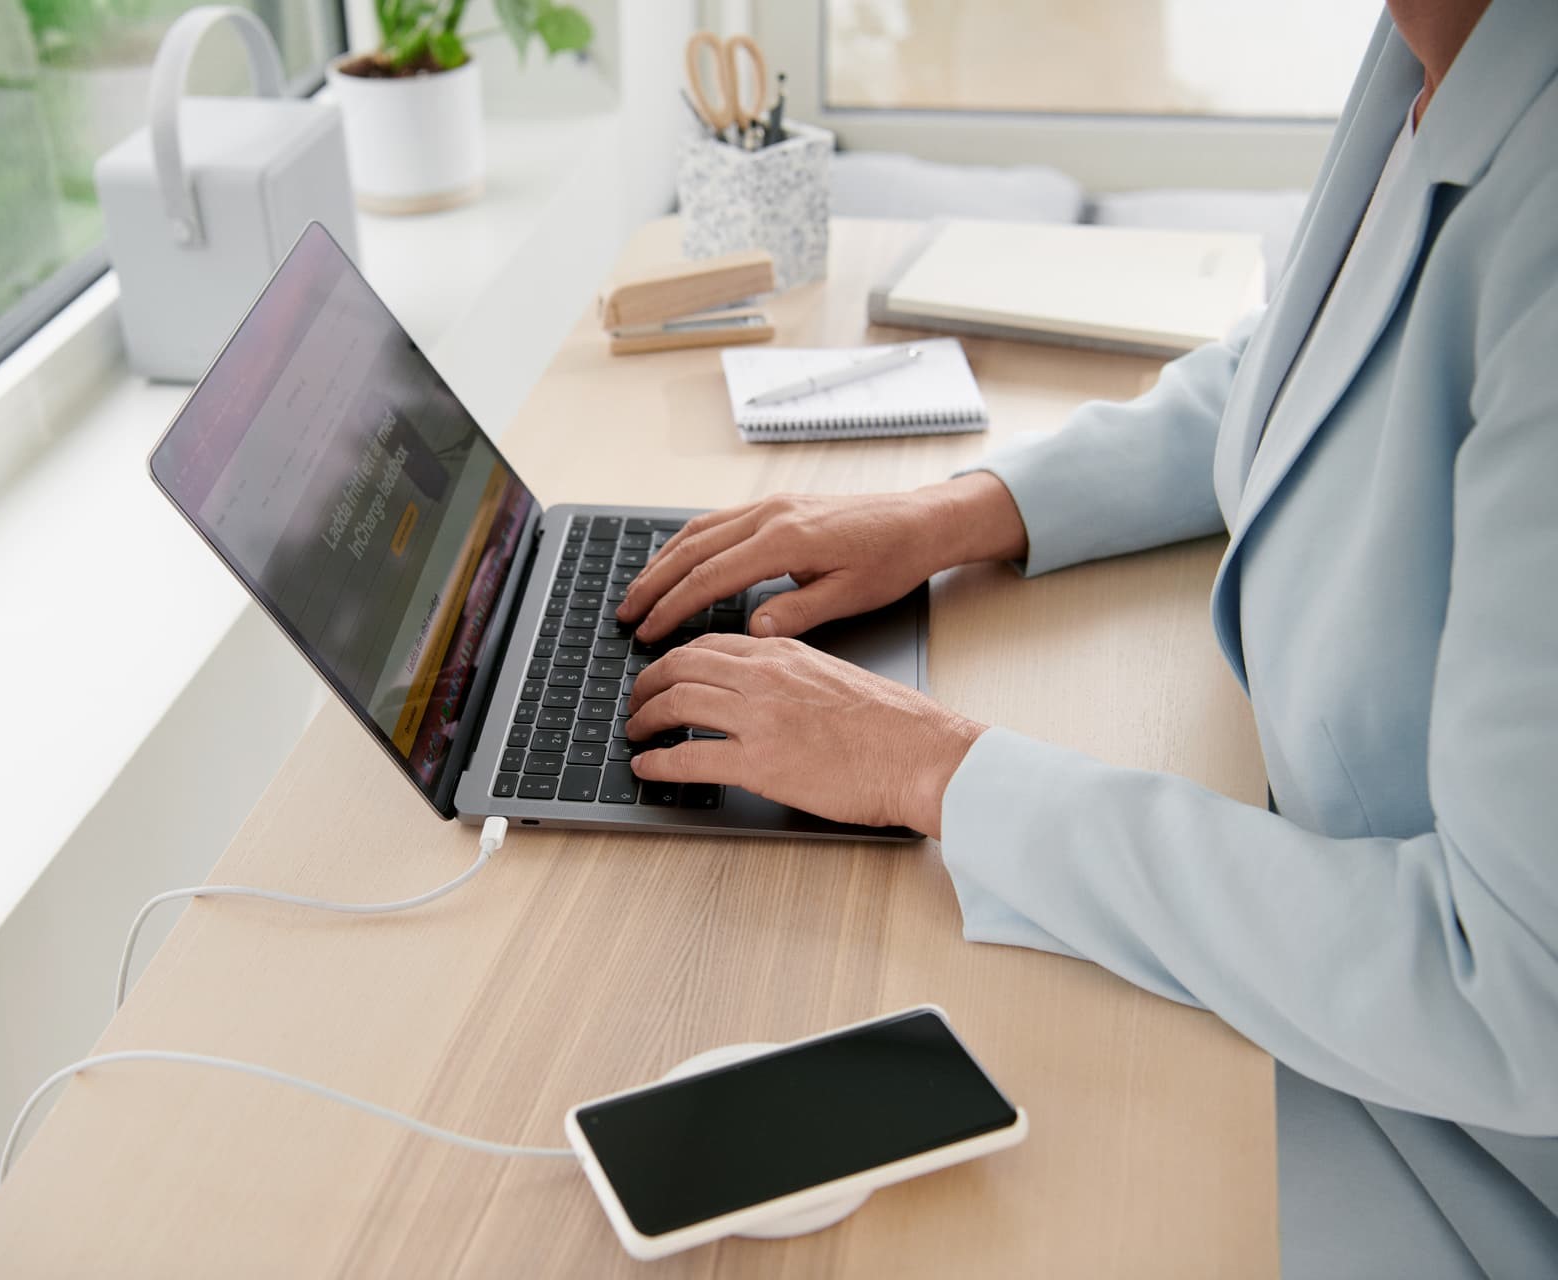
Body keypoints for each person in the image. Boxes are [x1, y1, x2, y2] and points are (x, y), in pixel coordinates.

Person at [615, 1, 1558, 1274]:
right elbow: (1297, 365)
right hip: (1311, 944)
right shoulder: (1434, 41)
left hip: (1464, 1139)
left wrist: (928, 766)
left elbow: (1506, 991)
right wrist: (954, 513)